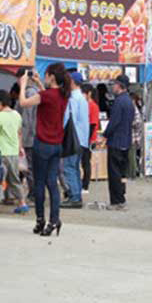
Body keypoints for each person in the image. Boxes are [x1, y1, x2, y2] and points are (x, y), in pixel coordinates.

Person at [19, 63, 69, 236]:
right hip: (57, 145)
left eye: (46, 75)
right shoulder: (63, 95)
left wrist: (24, 83)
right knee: (52, 183)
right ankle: (54, 220)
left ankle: (40, 220)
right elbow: (48, 96)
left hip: (42, 144)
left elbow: (23, 102)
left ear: (52, 76)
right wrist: (39, 83)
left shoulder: (47, 96)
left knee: (39, 184)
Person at [103, 75, 135, 210]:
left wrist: (105, 135)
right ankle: (121, 197)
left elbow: (114, 122)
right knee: (121, 172)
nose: (113, 87)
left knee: (114, 172)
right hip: (126, 140)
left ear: (120, 85)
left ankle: (117, 201)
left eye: (115, 84)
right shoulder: (129, 101)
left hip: (116, 141)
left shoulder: (119, 101)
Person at [0, 90, 25, 212]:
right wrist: (20, 148)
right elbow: (19, 133)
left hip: (1, 153)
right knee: (14, 179)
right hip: (14, 152)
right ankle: (22, 203)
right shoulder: (17, 115)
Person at [62, 72, 89, 209]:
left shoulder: (73, 98)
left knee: (69, 167)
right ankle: (77, 194)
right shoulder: (83, 98)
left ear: (72, 82)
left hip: (72, 139)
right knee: (76, 168)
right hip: (82, 139)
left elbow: (66, 118)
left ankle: (74, 197)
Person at [16, 68, 39, 210]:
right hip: (35, 135)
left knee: (29, 167)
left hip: (30, 137)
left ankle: (34, 193)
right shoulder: (37, 92)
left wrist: (22, 141)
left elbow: (27, 120)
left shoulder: (28, 94)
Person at [82, 84, 100, 191]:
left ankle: (85, 185)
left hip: (89, 138)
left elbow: (93, 124)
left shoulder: (93, 106)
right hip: (86, 137)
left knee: (86, 162)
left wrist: (87, 140)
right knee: (84, 162)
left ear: (89, 93)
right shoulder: (86, 105)